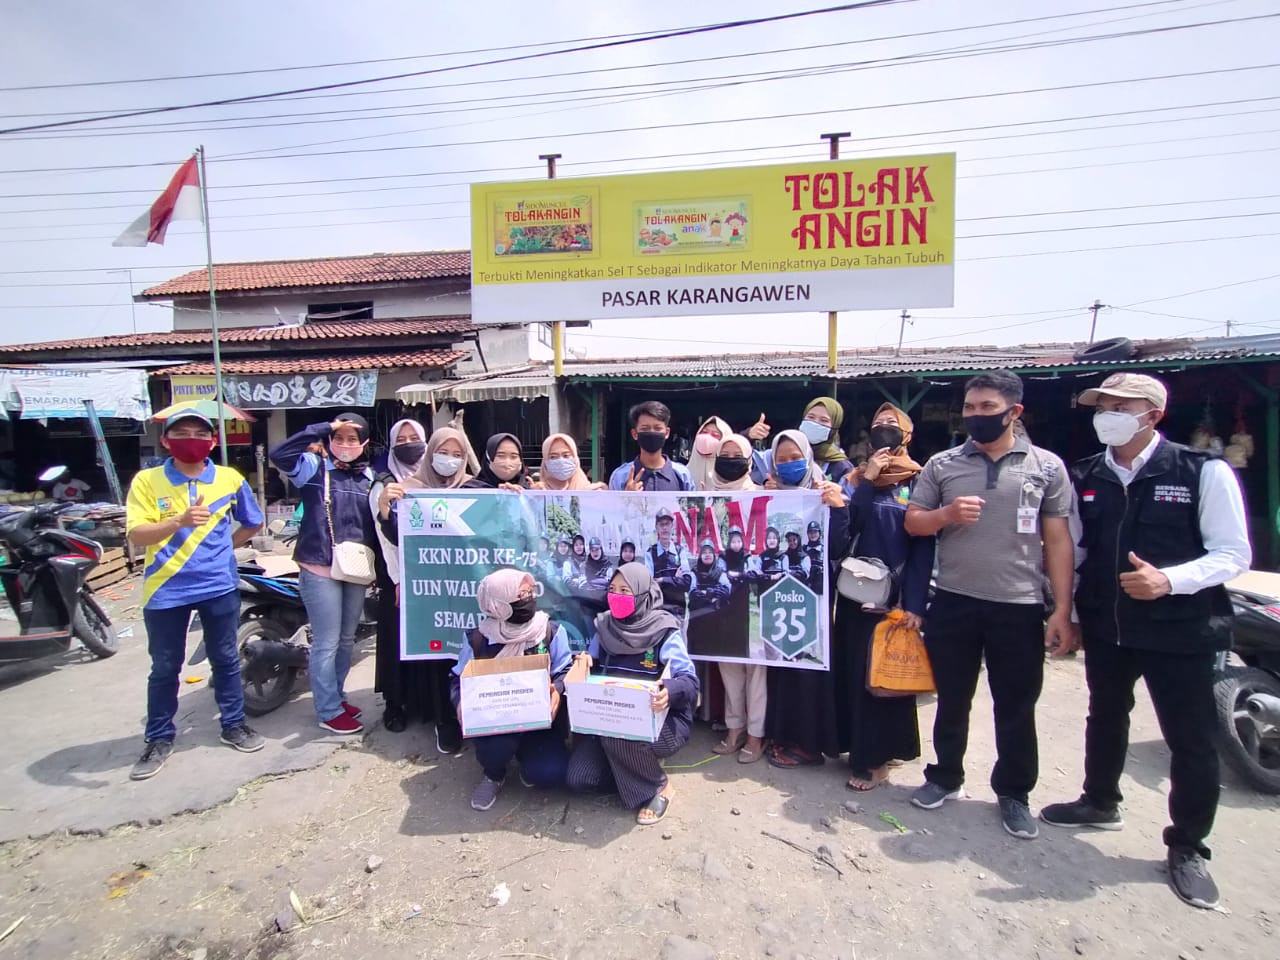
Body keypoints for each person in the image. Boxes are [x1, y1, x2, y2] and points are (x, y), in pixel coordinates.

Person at [1039, 373, 1250, 910]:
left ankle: (1188, 845)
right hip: (1108, 624)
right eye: (1100, 405)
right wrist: (1064, 611)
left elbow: (1233, 554)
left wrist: (1170, 580)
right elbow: (1076, 551)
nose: (1105, 412)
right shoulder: (1085, 474)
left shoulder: (1201, 470)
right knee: (1105, 714)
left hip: (1182, 629)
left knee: (1191, 737)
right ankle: (1099, 800)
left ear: (1152, 415)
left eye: (1118, 405)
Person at [903, 370, 1077, 840]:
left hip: (1018, 605)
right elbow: (914, 523)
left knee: (1016, 704)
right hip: (955, 601)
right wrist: (945, 515)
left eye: (986, 407)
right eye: (970, 407)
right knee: (951, 698)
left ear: (1013, 412)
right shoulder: (943, 465)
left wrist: (1062, 608)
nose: (976, 416)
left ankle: (1014, 792)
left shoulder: (1045, 467)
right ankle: (944, 776)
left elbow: (1058, 540)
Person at [125, 410, 265, 780]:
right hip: (165, 588)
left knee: (225, 659)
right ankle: (158, 738)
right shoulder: (148, 481)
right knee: (165, 668)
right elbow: (137, 535)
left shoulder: (229, 478)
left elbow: (253, 522)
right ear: (167, 441)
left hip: (218, 584)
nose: (192, 438)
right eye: (182, 432)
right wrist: (178, 522)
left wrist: (224, 549)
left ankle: (234, 724)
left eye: (200, 432)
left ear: (213, 442)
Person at [836, 403, 935, 791]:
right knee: (854, 671)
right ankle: (855, 747)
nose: (883, 429)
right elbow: (847, 527)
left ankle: (878, 758)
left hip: (892, 599)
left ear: (907, 434)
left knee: (886, 675)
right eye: (877, 424)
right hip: (852, 592)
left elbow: (923, 548)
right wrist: (867, 481)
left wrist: (914, 604)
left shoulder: (919, 480)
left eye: (892, 424)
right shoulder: (860, 478)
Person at [565, 563, 699, 825]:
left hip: (660, 722)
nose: (616, 596)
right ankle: (630, 770)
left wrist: (669, 691)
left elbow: (690, 681)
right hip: (607, 720)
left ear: (642, 593)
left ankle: (659, 786)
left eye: (625, 590)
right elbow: (589, 663)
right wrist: (583, 664)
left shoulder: (664, 631)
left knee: (620, 736)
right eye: (613, 590)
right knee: (578, 778)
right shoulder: (604, 627)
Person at [270, 413, 378, 735]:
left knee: (347, 640)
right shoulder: (313, 469)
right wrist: (322, 428)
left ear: (364, 444)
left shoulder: (369, 478)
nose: (345, 445)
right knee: (327, 642)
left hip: (355, 569)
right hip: (319, 567)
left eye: (352, 439)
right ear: (330, 441)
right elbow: (279, 455)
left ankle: (337, 695)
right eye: (339, 438)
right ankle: (328, 710)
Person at [376, 426, 482, 752]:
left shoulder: (475, 488)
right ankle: (444, 721)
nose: (449, 460)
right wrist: (384, 510)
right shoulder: (411, 492)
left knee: (469, 649)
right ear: (431, 452)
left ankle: (474, 716)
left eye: (457, 454)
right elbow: (399, 538)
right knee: (438, 654)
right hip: (433, 589)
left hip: (468, 587)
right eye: (442, 452)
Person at [762, 429, 851, 768]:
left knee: (808, 667)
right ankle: (783, 736)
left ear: (808, 457)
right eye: (781, 460)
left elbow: (838, 546)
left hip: (811, 595)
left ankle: (810, 745)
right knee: (780, 667)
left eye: (794, 458)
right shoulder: (770, 494)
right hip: (776, 595)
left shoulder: (825, 493)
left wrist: (837, 507)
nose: (788, 465)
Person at [452, 569, 574, 811]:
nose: (528, 599)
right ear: (498, 605)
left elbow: (565, 669)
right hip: (495, 721)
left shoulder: (548, 631)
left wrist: (557, 691)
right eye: (520, 595)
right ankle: (494, 774)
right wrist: (459, 704)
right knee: (496, 748)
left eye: (530, 593)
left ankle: (529, 762)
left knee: (550, 773)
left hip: (540, 723)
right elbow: (457, 679)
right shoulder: (478, 639)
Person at [369, 419, 437, 733]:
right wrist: (398, 580)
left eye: (415, 437)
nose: (409, 443)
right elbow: (385, 540)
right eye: (402, 438)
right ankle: (394, 704)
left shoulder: (433, 479)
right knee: (397, 638)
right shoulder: (385, 484)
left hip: (431, 572)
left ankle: (423, 702)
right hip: (397, 577)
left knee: (426, 639)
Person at [748, 397, 854, 487]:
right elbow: (741, 461)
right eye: (811, 417)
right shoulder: (775, 455)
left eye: (824, 420)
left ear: (834, 428)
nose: (815, 423)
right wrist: (748, 435)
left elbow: (848, 503)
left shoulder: (841, 467)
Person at [609, 401, 696, 492]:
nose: (652, 432)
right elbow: (612, 506)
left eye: (657, 428)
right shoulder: (620, 476)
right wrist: (626, 498)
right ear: (635, 434)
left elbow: (692, 505)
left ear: (666, 433)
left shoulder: (682, 475)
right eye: (645, 429)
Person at [645, 507, 692, 618]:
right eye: (661, 524)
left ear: (672, 526)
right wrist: (675, 580)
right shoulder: (650, 553)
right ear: (656, 527)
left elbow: (687, 583)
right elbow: (649, 585)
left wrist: (662, 580)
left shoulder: (680, 551)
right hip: (657, 610)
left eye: (667, 524)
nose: (665, 528)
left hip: (678, 610)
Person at [537, 433, 606, 491]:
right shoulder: (537, 493)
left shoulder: (590, 492)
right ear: (545, 462)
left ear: (575, 458)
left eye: (566, 455)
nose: (561, 461)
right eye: (553, 457)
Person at [686, 416, 733, 490]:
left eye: (715, 435)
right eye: (704, 432)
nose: (707, 438)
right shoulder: (683, 474)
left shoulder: (731, 477)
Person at [803, 520, 824, 593]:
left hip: (820, 588)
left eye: (815, 532)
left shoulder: (824, 550)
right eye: (810, 532)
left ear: (819, 533)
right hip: (806, 587)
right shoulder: (803, 550)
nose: (812, 534)